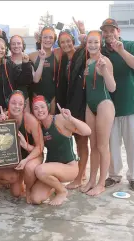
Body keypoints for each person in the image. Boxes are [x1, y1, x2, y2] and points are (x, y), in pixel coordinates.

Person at [100, 18, 134, 192]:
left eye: (112, 30)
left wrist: (121, 51)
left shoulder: (130, 45)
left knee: (132, 144)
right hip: (111, 107)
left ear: (118, 31)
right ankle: (114, 175)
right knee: (112, 144)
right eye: (105, 31)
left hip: (133, 104)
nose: (108, 34)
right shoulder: (102, 50)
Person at [30, 95, 91, 205]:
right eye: (36, 108)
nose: (40, 110)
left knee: (40, 170)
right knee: (36, 198)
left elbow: (87, 131)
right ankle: (55, 185)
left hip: (69, 167)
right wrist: (25, 145)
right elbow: (37, 149)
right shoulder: (38, 127)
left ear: (48, 107)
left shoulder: (59, 119)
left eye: (42, 107)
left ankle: (62, 191)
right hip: (51, 169)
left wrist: (71, 118)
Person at [79, 31, 116, 196]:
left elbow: (112, 87)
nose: (92, 45)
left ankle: (102, 183)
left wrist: (104, 70)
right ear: (86, 44)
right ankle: (92, 180)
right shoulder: (87, 62)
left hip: (104, 104)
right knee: (92, 145)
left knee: (102, 146)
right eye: (89, 42)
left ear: (100, 43)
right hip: (90, 105)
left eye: (95, 42)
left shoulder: (104, 61)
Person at [55, 29, 90, 189]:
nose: (66, 44)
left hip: (81, 103)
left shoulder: (81, 55)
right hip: (68, 105)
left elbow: (91, 46)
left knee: (82, 142)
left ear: (73, 40)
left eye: (68, 40)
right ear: (59, 45)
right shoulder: (62, 59)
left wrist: (84, 33)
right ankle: (80, 174)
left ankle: (80, 176)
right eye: (62, 42)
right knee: (75, 141)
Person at [0, 90, 44, 203]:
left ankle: (29, 189)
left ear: (24, 106)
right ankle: (21, 179)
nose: (16, 106)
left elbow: (40, 148)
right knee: (16, 193)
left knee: (28, 167)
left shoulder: (30, 120)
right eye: (13, 103)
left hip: (32, 155)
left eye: (20, 104)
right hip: (15, 157)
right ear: (8, 103)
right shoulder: (3, 118)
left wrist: (26, 150)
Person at [0, 37, 33, 117]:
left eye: (2, 48)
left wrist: (26, 64)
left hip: (8, 110)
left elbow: (24, 81)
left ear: (5, 51)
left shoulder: (9, 65)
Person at [28, 26, 60, 114]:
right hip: (36, 94)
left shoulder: (58, 53)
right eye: (45, 37)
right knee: (38, 124)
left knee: (51, 123)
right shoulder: (32, 56)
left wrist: (82, 32)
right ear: (40, 38)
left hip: (53, 96)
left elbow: (73, 48)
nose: (48, 40)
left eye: (51, 37)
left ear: (54, 40)